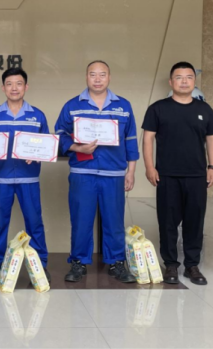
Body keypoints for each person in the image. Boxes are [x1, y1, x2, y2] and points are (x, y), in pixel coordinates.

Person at [55, 60, 139, 283]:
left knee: (114, 221)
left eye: (102, 74)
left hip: (114, 174)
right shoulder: (73, 105)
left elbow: (131, 140)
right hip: (83, 172)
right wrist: (77, 148)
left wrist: (131, 171)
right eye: (93, 74)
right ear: (86, 77)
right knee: (81, 219)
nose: (98, 79)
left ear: (109, 77)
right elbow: (60, 134)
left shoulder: (123, 106)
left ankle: (117, 263)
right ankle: (78, 262)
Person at [142, 62, 213, 286]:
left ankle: (192, 265)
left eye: (188, 77)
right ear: (171, 82)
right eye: (179, 77)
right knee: (167, 221)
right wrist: (149, 167)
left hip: (197, 175)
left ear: (194, 82)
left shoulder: (204, 109)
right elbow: (147, 139)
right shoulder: (158, 108)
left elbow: (212, 139)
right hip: (167, 175)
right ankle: (170, 264)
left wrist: (212, 167)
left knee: (194, 221)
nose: (184, 81)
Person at [0, 67, 50, 281]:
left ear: (26, 87)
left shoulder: (37, 115)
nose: (14, 88)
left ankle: (40, 264)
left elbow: (47, 146)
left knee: (34, 222)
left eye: (19, 83)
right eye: (9, 84)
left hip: (29, 179)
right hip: (1, 178)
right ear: (3, 88)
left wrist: (38, 155)